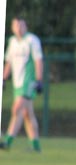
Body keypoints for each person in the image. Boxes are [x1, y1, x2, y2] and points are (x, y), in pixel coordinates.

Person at [0, 17, 43, 152]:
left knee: (16, 109)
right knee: (27, 114)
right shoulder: (12, 42)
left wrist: (39, 80)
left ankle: (7, 141)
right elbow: (8, 62)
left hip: (28, 80)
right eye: (16, 26)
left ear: (26, 27)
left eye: (21, 25)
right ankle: (36, 147)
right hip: (17, 82)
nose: (19, 28)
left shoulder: (32, 40)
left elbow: (38, 60)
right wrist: (3, 78)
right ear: (12, 27)